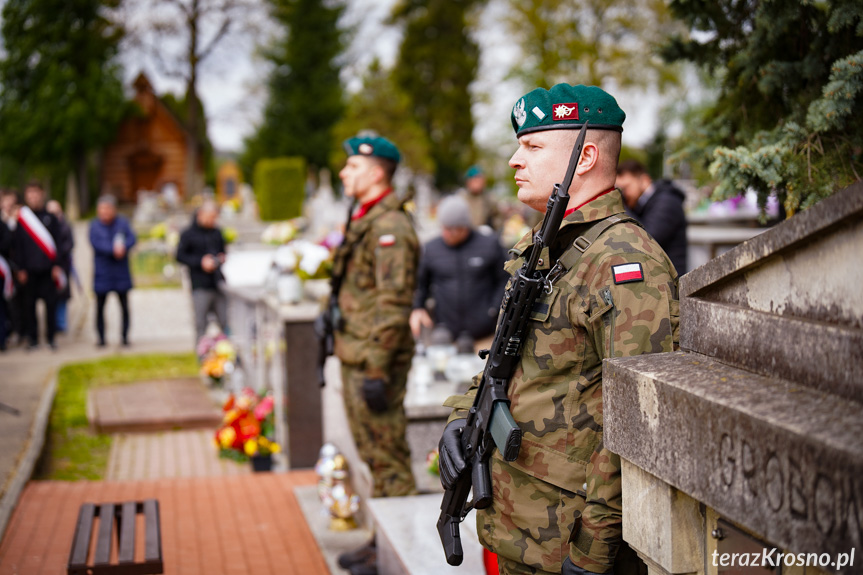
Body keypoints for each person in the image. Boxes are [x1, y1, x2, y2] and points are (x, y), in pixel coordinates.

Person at [438, 84, 680, 575]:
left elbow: (637, 420)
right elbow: (508, 355)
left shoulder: (623, 262)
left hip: (566, 541)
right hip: (518, 528)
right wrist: (464, 414)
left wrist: (593, 550)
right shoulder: (541, 247)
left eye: (533, 146)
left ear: (585, 156)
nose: (513, 160)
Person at [332, 134, 419, 575]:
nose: (344, 173)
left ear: (376, 172)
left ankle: (398, 548)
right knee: (373, 454)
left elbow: (392, 302)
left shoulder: (390, 227)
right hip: (358, 353)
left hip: (374, 360)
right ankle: (381, 540)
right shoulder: (365, 217)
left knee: (388, 458)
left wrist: (376, 370)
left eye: (352, 167)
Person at [410, 194, 508, 342]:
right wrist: (418, 307)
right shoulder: (431, 249)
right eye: (444, 228)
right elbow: (422, 283)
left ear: (464, 226)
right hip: (446, 334)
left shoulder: (489, 245)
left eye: (452, 229)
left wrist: (494, 309)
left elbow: (504, 279)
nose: (446, 234)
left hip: (485, 333)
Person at [11, 183, 68, 350]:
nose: (34, 197)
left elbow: (58, 243)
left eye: (36, 193)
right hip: (29, 271)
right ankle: (33, 338)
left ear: (42, 194)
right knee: (29, 306)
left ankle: (51, 337)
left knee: (50, 305)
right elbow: (18, 246)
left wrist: (57, 266)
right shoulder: (23, 219)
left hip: (48, 270)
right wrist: (20, 268)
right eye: (30, 194)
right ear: (27, 196)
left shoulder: (50, 218)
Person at [615, 160, 688, 274]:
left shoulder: (667, 202)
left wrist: (620, 205)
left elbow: (648, 240)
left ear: (644, 180)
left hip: (673, 283)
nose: (623, 194)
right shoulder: (642, 204)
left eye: (625, 188)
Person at [176, 200, 228, 340]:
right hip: (200, 283)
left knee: (225, 320)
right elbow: (180, 256)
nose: (213, 220)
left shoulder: (216, 232)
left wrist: (220, 259)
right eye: (211, 217)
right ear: (201, 214)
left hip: (217, 282)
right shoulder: (188, 234)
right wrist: (200, 262)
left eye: (215, 217)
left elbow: (223, 251)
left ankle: (227, 352)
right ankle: (202, 354)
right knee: (201, 323)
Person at [89, 195, 136, 347]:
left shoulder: (122, 223)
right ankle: (101, 338)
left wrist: (124, 247)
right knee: (100, 308)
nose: (105, 212)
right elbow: (96, 243)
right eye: (102, 209)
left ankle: (124, 337)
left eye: (108, 209)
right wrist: (113, 250)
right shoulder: (94, 226)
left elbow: (132, 238)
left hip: (120, 272)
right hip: (103, 273)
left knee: (124, 307)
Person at [46, 200, 75, 333]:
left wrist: (57, 254)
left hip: (62, 264)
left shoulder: (65, 226)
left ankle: (61, 323)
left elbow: (70, 244)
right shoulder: (43, 226)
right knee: (50, 296)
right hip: (47, 265)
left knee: (62, 294)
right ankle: (51, 323)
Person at [460, 165, 503, 232]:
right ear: (468, 181)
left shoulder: (490, 198)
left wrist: (493, 230)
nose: (478, 183)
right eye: (475, 180)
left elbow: (498, 218)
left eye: (480, 179)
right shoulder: (461, 198)